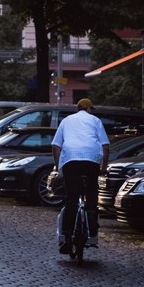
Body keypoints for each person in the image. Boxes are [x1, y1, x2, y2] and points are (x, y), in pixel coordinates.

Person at [51, 98, 110, 254]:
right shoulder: (96, 120)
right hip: (91, 160)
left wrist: (59, 167)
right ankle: (92, 229)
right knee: (91, 195)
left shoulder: (66, 121)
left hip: (71, 160)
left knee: (71, 199)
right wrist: (103, 168)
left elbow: (55, 146)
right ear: (89, 109)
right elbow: (106, 146)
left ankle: (68, 238)